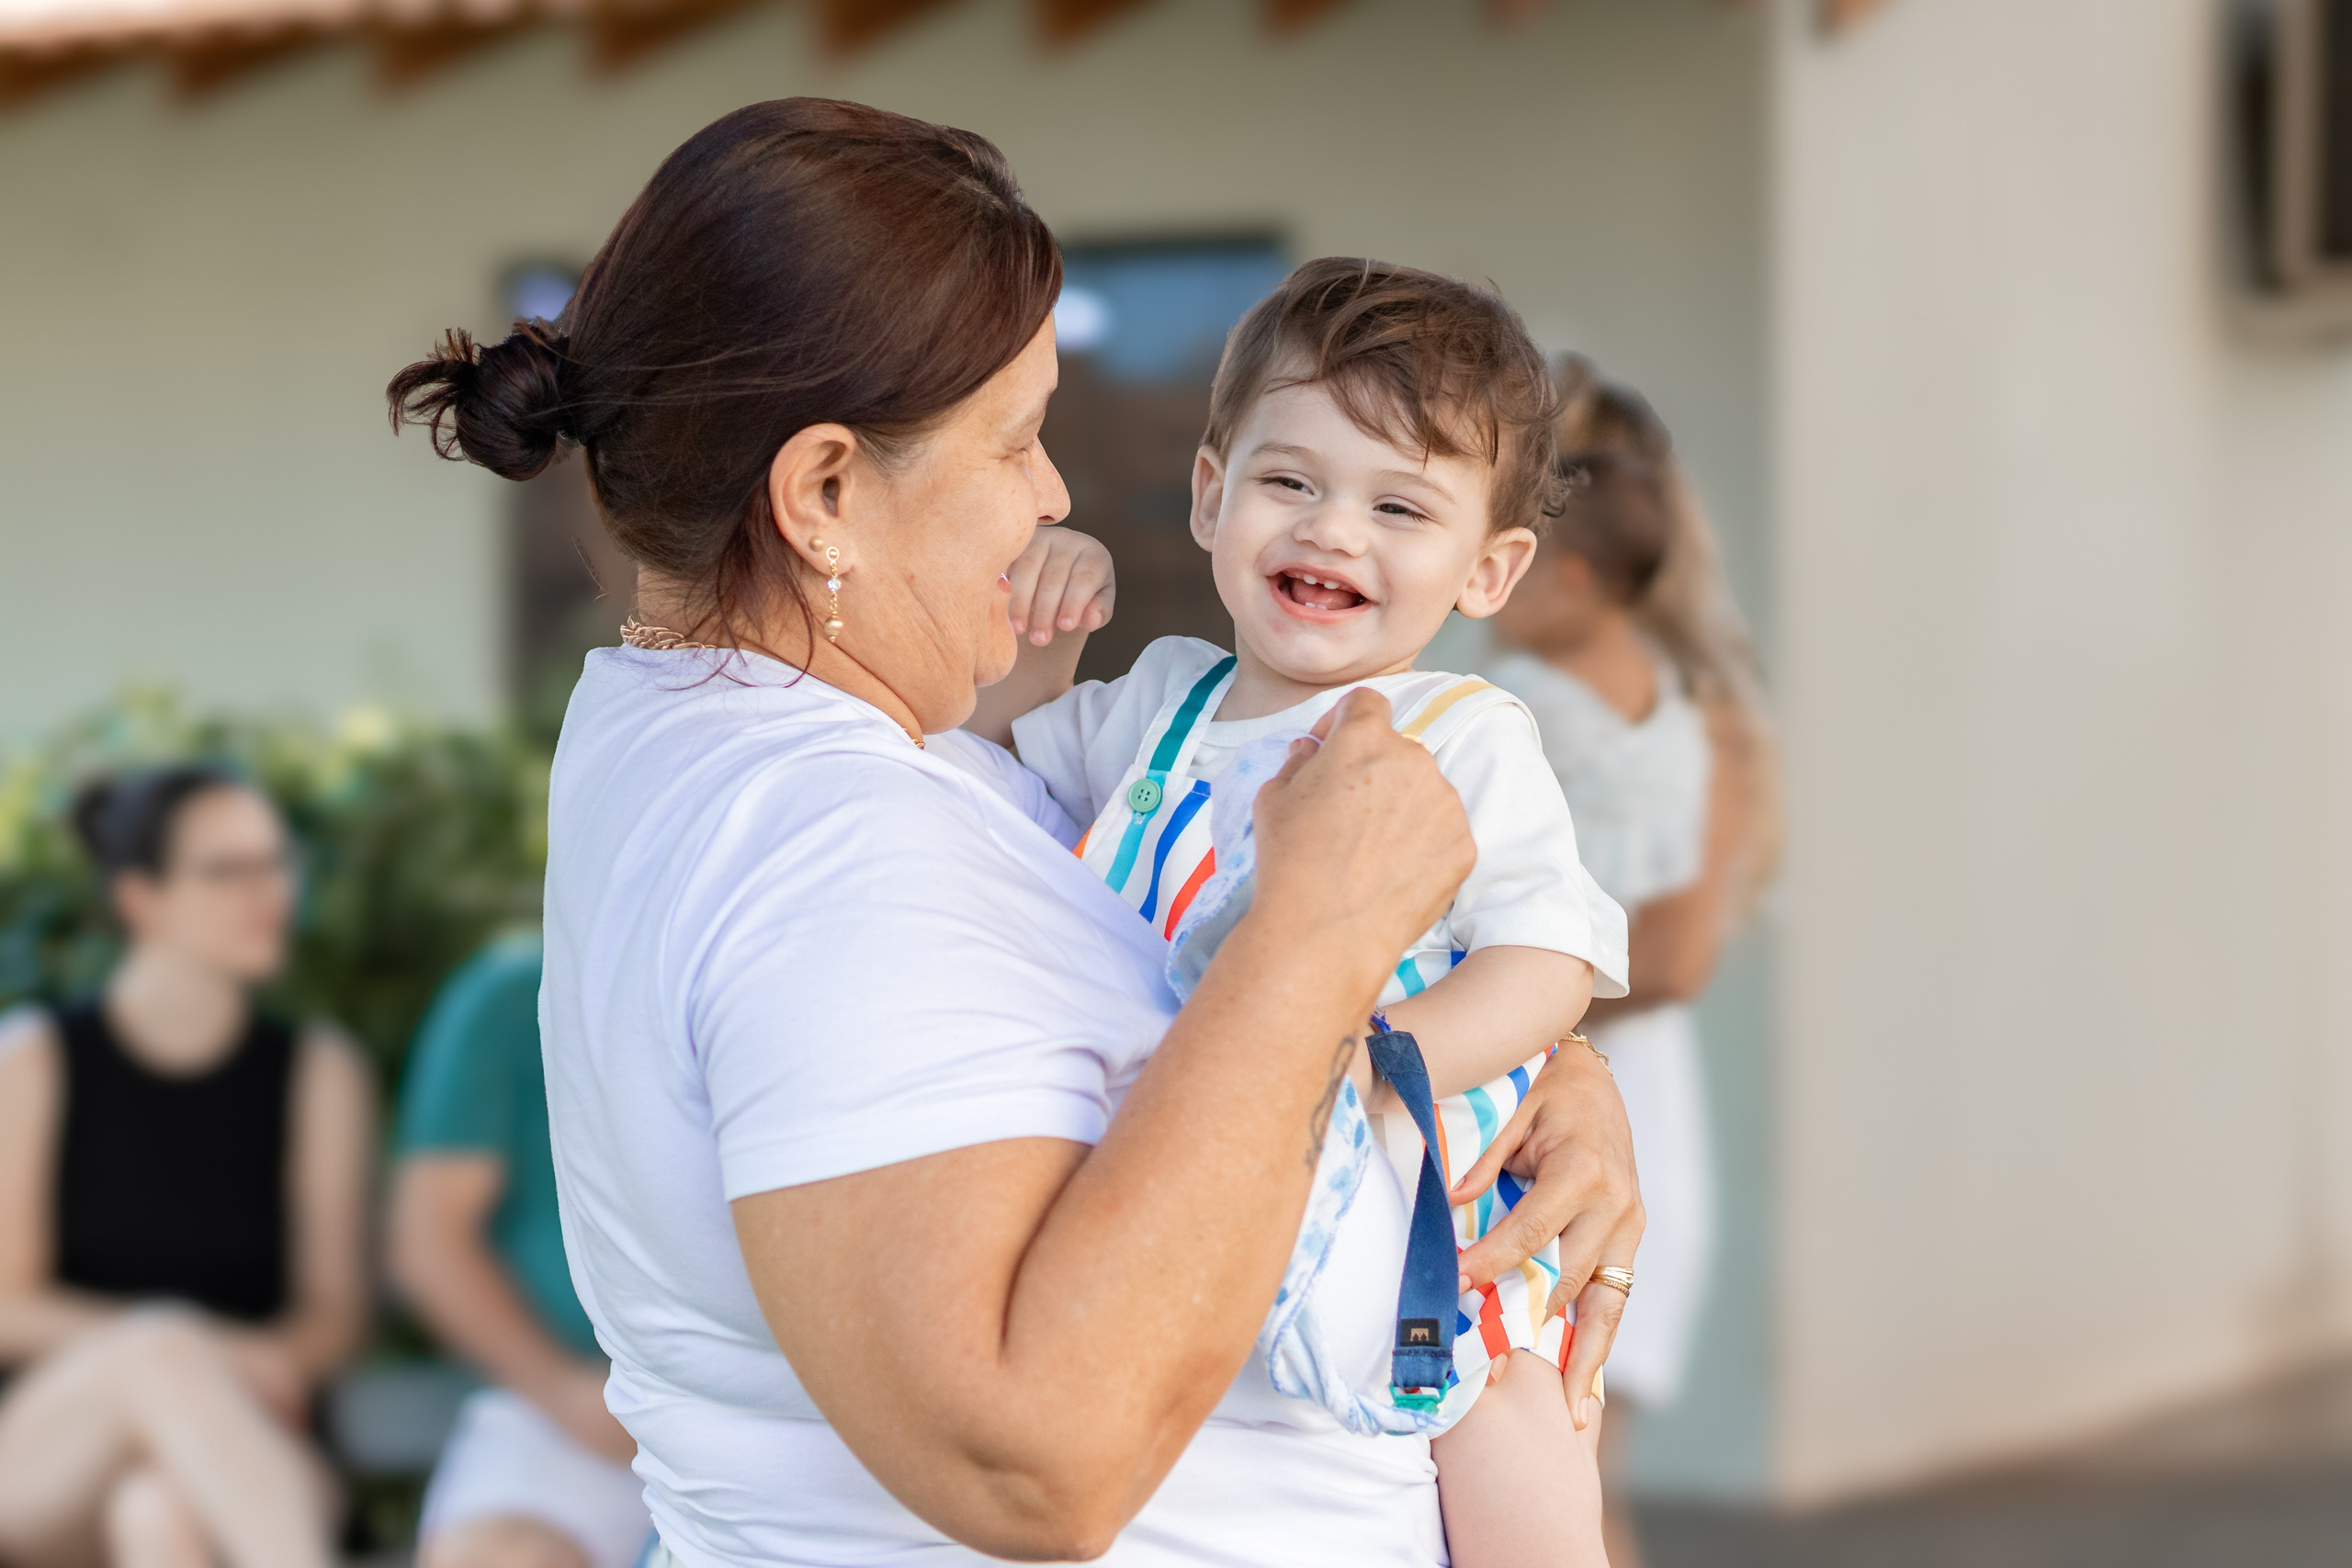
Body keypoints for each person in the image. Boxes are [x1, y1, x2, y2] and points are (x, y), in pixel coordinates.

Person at [386, 97, 1642, 1568]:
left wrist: (1540, 1062)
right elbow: (1031, 1461)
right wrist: (1321, 951)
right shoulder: (823, 842)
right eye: (1018, 439)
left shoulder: (762, 744)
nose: (1051, 494)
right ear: (827, 492)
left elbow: (1103, 917)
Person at [976, 258, 1635, 1568]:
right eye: (1291, 482)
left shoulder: (1464, 734)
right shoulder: (1156, 702)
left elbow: (1550, 957)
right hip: (1199, 1185)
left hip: (1425, 1206)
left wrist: (1380, 1062)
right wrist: (1041, 604)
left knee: (1511, 1434)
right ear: (1211, 494)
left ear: (1489, 570)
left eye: (1401, 506)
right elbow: (989, 767)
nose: (1335, 531)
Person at [1487, 360, 1779, 1568]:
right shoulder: (1678, 711)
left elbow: (1675, 953)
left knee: (1555, 1473)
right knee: (1566, 1474)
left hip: (1576, 1099)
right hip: (1625, 1099)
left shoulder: (1519, 705)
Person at [0, 767, 375, 1568]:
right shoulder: (35, 1061)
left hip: (260, 1443)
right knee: (160, 1346)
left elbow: (334, 1318)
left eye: (276, 863)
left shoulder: (321, 1072)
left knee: (161, 1515)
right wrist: (198, 1348)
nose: (269, 890)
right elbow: (8, 1305)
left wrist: (220, 1371)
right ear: (140, 897)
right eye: (227, 869)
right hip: (52, 1454)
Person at [389, 936, 650, 1568]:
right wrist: (565, 1392)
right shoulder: (515, 995)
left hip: (800, 1414)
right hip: (571, 1411)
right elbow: (429, 1243)